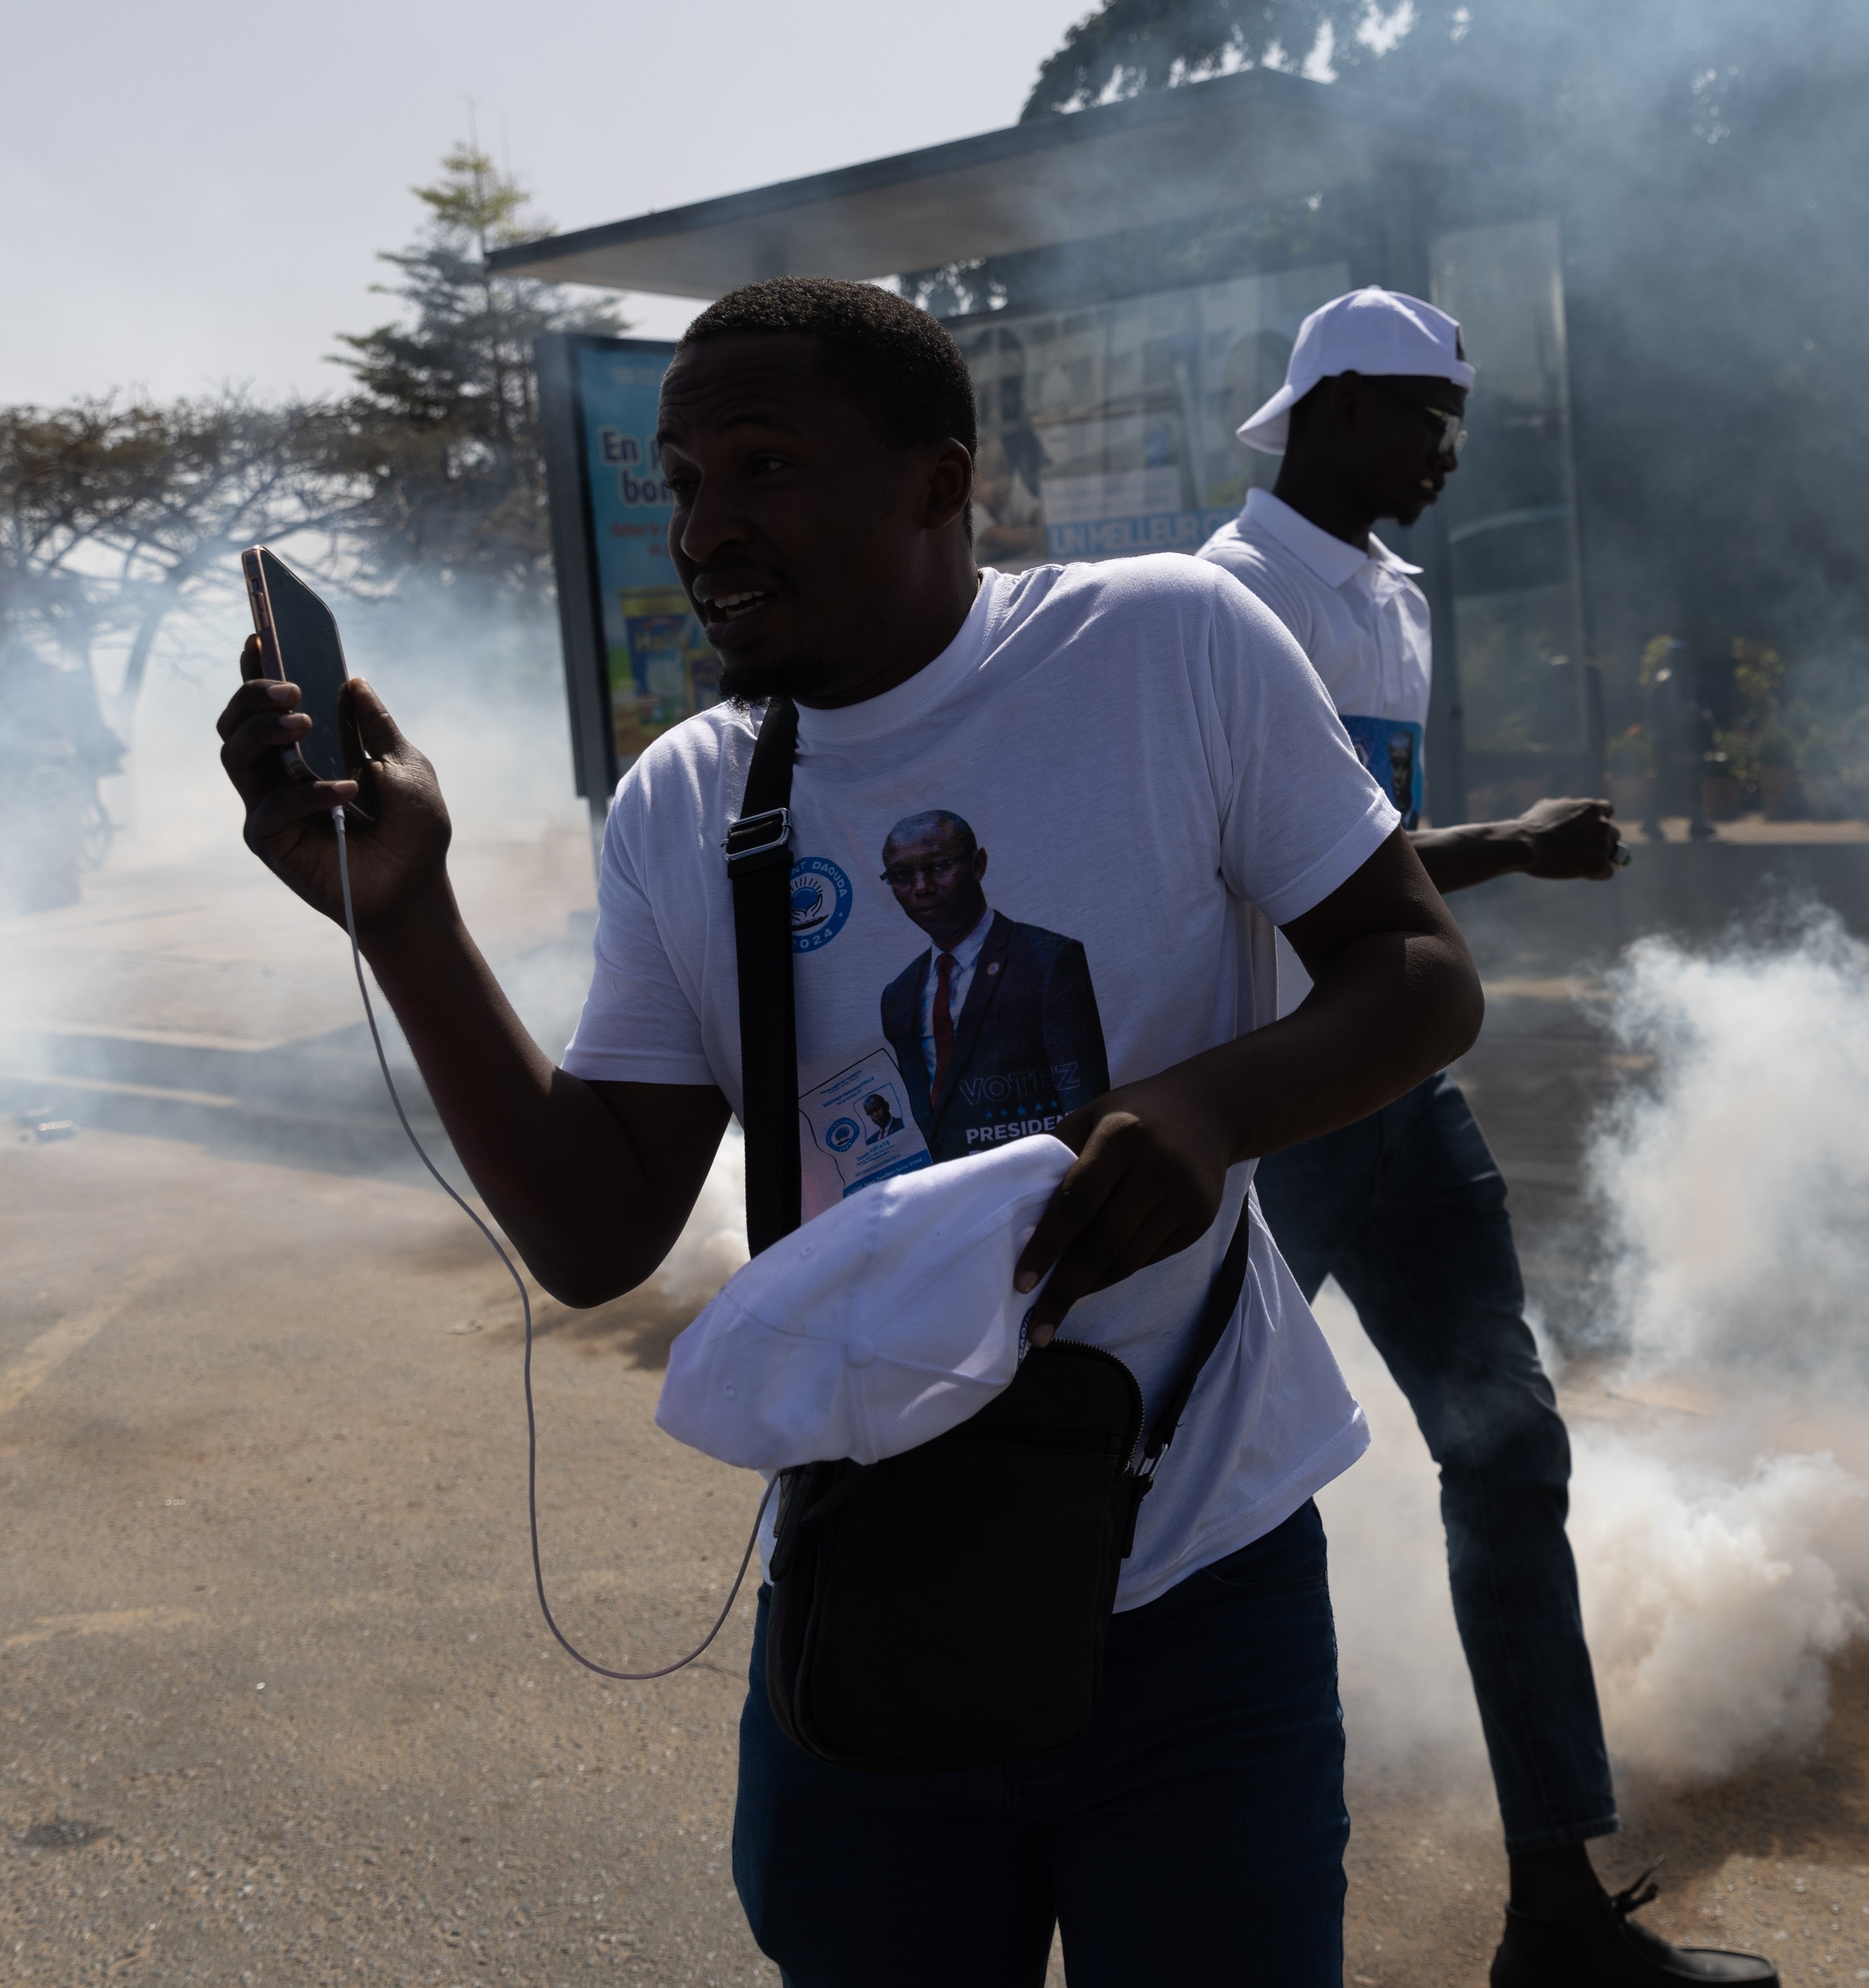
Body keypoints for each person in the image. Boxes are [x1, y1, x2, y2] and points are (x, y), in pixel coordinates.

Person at [216, 275, 1484, 1985]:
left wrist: (1208, 1103)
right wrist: (408, 916)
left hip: (1201, 1574)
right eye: (677, 480)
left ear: (937, 482)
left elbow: (1416, 972)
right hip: (883, 1582)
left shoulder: (1171, 644)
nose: (706, 528)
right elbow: (596, 1233)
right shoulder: (687, 798)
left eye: (762, 466)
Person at [1202, 288, 1780, 1988]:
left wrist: (1478, 864)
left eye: (1458, 421)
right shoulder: (1221, 605)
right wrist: (1515, 847)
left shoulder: (1388, 597)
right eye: (1426, 420)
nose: (1451, 454)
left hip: (1394, 1088)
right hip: (1267, 1100)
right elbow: (1291, 870)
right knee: (1176, 1488)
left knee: (1508, 1453)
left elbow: (1365, 853)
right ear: (1335, 409)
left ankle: (1555, 1914)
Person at [875, 807, 1111, 1157]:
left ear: (978, 865)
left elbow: (1085, 1109)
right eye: (901, 875)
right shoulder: (898, 995)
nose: (921, 887)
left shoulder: (1048, 960)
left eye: (939, 867)